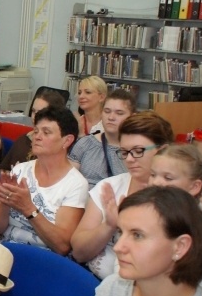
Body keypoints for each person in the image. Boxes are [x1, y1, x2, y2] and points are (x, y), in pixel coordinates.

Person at [71, 111, 173, 279]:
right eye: (124, 152)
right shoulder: (109, 187)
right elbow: (79, 252)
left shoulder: (176, 198)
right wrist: (109, 226)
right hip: (93, 280)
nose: (129, 159)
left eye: (138, 151)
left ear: (162, 150)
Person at [0, 106, 88, 255]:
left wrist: (28, 208)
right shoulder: (20, 170)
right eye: (36, 131)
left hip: (40, 258)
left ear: (67, 141)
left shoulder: (76, 184)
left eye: (46, 132)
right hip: (3, 250)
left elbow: (62, 246)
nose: (37, 137)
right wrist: (5, 202)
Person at [150, 144, 202, 295]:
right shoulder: (148, 213)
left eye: (168, 177)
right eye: (153, 174)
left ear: (194, 186)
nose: (156, 182)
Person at [68, 89, 135, 189]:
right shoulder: (85, 144)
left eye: (119, 113)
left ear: (132, 117)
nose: (111, 117)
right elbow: (67, 183)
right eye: (107, 111)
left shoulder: (138, 151)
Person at [0, 90, 66, 171]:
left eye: (41, 113)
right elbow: (3, 169)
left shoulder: (55, 150)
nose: (35, 117)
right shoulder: (23, 140)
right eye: (33, 111)